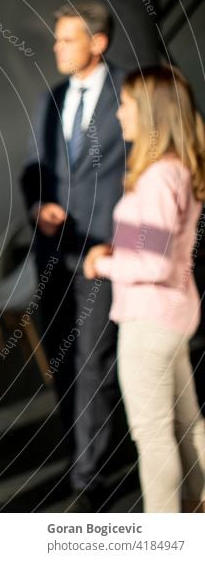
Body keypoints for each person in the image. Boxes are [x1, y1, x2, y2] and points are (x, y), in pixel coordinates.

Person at [20, 1, 127, 512]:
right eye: (57, 39)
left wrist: (129, 244)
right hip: (53, 253)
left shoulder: (132, 94)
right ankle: (79, 452)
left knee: (93, 363)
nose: (57, 48)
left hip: (105, 254)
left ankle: (89, 479)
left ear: (98, 43)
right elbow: (33, 168)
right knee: (63, 360)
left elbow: (146, 172)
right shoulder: (51, 99)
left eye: (67, 40)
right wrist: (39, 204)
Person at [83, 65, 205, 513]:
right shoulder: (176, 172)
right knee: (187, 423)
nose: (119, 114)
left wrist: (102, 263)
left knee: (153, 436)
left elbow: (152, 262)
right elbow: (158, 245)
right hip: (172, 316)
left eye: (128, 104)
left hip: (149, 320)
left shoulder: (156, 179)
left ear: (152, 113)